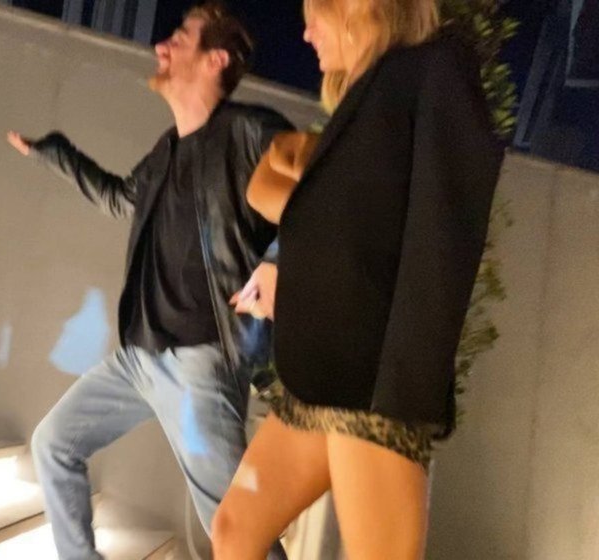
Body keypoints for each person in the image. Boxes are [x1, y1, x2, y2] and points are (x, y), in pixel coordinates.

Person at [212, 0, 504, 559]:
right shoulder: (364, 99)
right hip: (319, 382)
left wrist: (398, 396)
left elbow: (444, 241)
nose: (304, 34)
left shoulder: (437, 69)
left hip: (370, 393)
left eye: (313, 15)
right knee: (234, 530)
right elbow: (328, 227)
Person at [7, 2, 291, 559]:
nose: (161, 46)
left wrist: (276, 260)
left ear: (215, 60)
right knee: (54, 445)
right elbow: (120, 198)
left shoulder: (251, 133)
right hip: (138, 359)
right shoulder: (167, 151)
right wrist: (56, 153)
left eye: (179, 38)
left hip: (200, 361)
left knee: (236, 530)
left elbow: (315, 194)